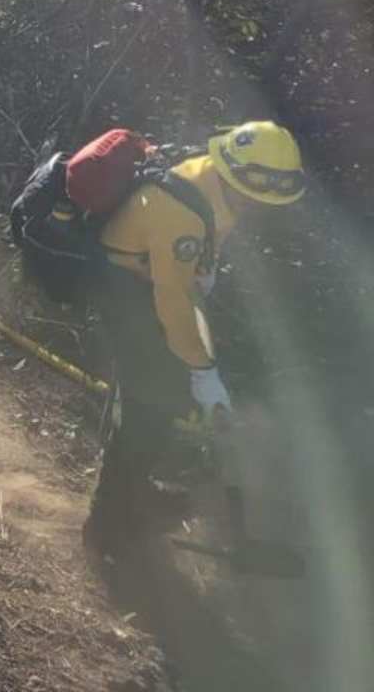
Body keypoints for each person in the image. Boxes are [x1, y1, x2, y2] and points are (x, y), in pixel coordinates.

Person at [82, 121, 306, 555]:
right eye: (257, 193)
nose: (260, 205)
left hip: (153, 278)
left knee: (168, 394)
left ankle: (136, 489)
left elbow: (190, 271)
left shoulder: (212, 180)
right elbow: (171, 302)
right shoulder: (180, 211)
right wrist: (202, 372)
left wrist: (200, 292)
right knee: (152, 402)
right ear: (234, 173)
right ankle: (107, 521)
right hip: (125, 287)